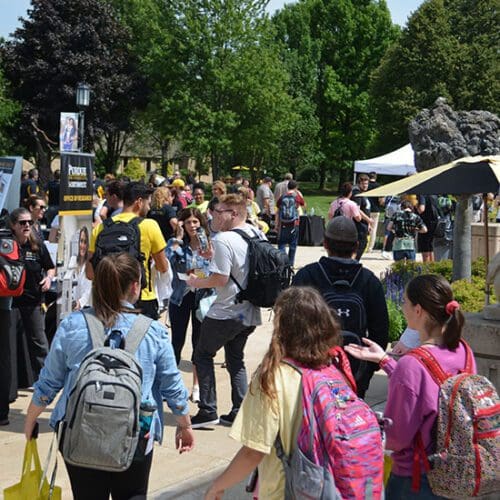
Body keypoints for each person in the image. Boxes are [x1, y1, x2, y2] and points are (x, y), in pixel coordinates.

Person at [24, 253, 194, 499]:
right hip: (136, 432)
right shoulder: (153, 331)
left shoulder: (72, 324)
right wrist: (184, 424)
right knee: (133, 494)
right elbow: (172, 387)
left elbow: (49, 382)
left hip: (78, 430)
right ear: (135, 287)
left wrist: (31, 419)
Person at [204, 287, 342, 499]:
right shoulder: (332, 369)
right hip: (330, 487)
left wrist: (218, 486)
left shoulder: (273, 377)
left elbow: (253, 452)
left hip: (287, 490)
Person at [345, 274, 474, 499]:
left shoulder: (412, 365)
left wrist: (374, 428)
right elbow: (431, 389)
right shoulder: (463, 350)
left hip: (415, 479)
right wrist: (385, 361)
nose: (401, 306)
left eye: (404, 301)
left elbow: (397, 437)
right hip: (456, 472)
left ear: (418, 310)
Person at [186, 194, 263, 428]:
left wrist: (194, 282)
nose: (213, 216)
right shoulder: (255, 233)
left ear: (234, 214)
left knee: (202, 355)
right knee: (235, 358)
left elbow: (220, 279)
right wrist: (213, 257)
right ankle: (239, 410)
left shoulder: (224, 239)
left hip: (226, 310)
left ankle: (207, 409)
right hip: (247, 311)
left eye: (219, 212)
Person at [292, 216, 388, 397]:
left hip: (313, 368)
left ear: (325, 243)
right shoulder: (368, 280)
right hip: (356, 370)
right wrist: (367, 370)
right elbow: (380, 331)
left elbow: (290, 326)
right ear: (356, 245)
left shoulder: (307, 275)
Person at [88, 182, 169, 320]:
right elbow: (163, 267)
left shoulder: (101, 228)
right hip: (142, 297)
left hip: (107, 299)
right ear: (139, 202)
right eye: (148, 203)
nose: (149, 208)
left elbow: (90, 273)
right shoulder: (150, 225)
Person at [166, 208, 213, 404]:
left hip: (202, 297)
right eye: (189, 222)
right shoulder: (177, 244)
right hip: (180, 296)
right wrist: (177, 238)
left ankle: (196, 386)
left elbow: (213, 267)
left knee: (199, 343)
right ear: (182, 225)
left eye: (196, 222)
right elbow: (166, 259)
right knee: (176, 341)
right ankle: (171, 385)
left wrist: (208, 252)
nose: (193, 226)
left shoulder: (208, 244)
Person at [10, 208, 55, 380]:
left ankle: (46, 378)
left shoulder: (37, 245)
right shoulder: (8, 244)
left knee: (39, 342)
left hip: (33, 300)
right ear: (13, 225)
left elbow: (50, 267)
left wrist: (49, 279)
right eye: (22, 223)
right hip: (10, 302)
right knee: (12, 343)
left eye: (30, 222)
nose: (27, 225)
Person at [275, 180, 305, 267]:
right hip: (294, 223)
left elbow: (278, 210)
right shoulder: (297, 196)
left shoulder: (282, 196)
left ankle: (282, 262)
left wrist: (276, 225)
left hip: (283, 223)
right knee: (293, 244)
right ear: (296, 187)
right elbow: (303, 204)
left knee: (281, 243)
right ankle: (290, 264)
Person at [351, 174, 373, 260]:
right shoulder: (357, 194)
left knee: (363, 244)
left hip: (364, 224)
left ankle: (356, 261)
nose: (365, 186)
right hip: (358, 224)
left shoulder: (364, 194)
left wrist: (369, 224)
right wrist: (369, 220)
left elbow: (367, 209)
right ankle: (354, 262)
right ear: (359, 184)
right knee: (360, 244)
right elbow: (357, 209)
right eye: (363, 184)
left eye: (366, 184)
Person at [73, 226, 92, 310]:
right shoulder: (72, 263)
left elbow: (87, 292)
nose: (82, 245)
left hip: (84, 308)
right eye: (81, 241)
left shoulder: (88, 265)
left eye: (85, 242)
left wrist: (79, 303)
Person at [417, 195, 439, 262]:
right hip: (434, 223)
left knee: (424, 246)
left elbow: (421, 209)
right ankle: (432, 266)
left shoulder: (422, 195)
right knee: (430, 246)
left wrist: (415, 206)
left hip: (425, 223)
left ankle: (426, 268)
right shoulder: (433, 195)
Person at [367, 172, 384, 252]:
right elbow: (381, 201)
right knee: (373, 229)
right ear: (375, 177)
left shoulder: (366, 185)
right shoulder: (379, 186)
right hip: (375, 209)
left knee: (365, 228)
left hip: (365, 209)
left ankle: (364, 245)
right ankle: (370, 248)